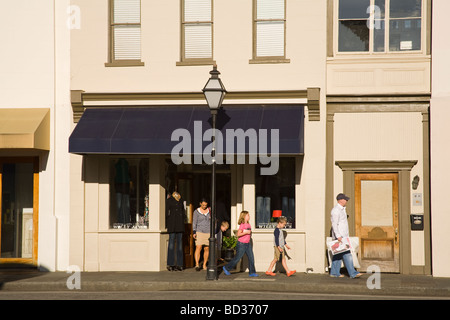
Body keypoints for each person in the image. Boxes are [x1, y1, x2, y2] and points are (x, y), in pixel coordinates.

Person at [330, 193, 362, 278]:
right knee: (347, 254)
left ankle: (334, 272)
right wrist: (338, 236)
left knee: (338, 254)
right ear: (340, 200)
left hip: (343, 236)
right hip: (340, 236)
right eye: (345, 199)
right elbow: (334, 224)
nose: (346, 201)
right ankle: (353, 273)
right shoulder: (336, 211)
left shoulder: (342, 209)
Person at [222, 211, 258, 277]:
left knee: (251, 258)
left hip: (247, 244)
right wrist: (246, 232)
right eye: (248, 215)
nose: (249, 216)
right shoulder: (242, 225)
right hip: (241, 244)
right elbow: (238, 234)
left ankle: (252, 272)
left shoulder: (248, 224)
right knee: (237, 258)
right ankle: (226, 267)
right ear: (244, 217)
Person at [165, 191, 185, 271]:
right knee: (171, 245)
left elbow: (183, 212)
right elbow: (166, 212)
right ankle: (170, 264)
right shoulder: (169, 200)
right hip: (172, 224)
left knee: (180, 246)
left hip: (180, 224)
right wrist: (167, 224)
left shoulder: (181, 200)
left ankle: (180, 264)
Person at [192, 199, 211, 271]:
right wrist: (194, 232)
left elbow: (213, 220)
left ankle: (204, 264)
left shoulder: (210, 211)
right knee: (198, 247)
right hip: (199, 231)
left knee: (206, 248)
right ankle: (197, 264)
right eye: (203, 205)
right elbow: (194, 222)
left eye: (205, 205)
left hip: (208, 232)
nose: (204, 206)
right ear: (200, 204)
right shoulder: (196, 212)